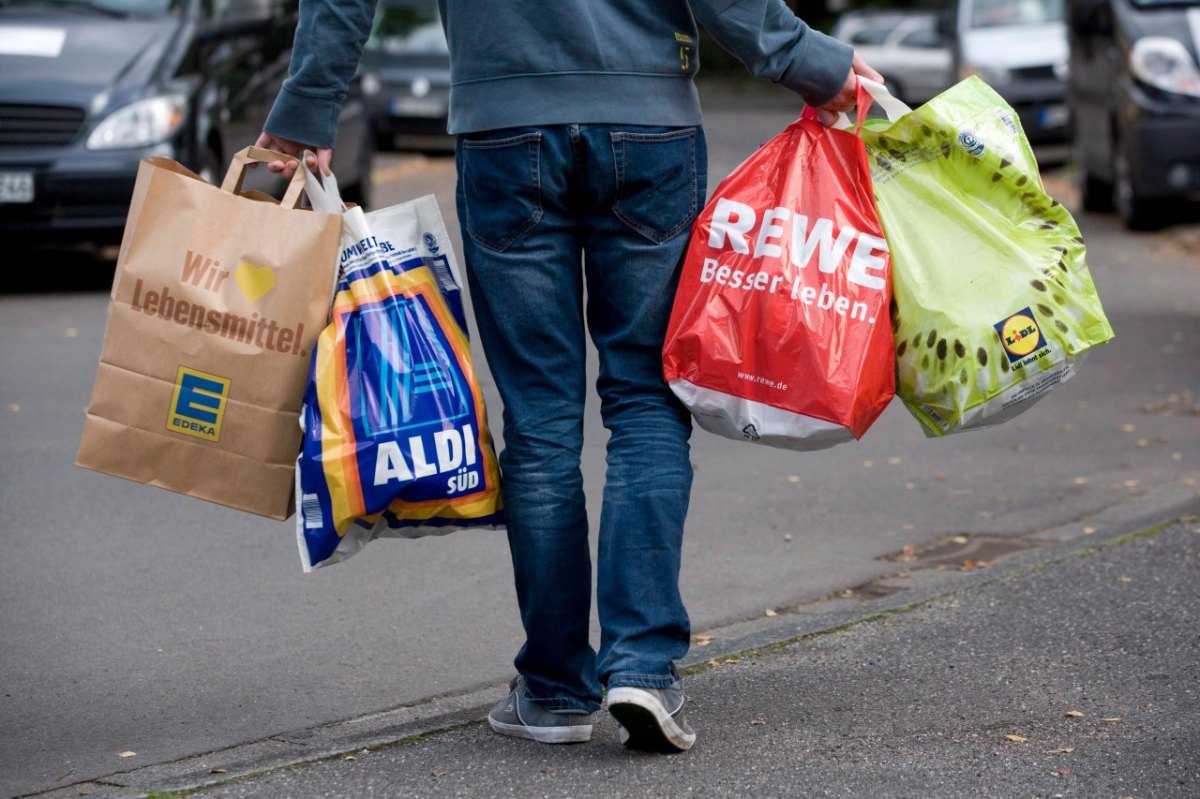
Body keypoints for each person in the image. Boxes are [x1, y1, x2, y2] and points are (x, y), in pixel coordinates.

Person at [258, 0, 881, 754]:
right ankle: (643, 668)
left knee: (541, 421)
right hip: (647, 121)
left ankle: (555, 689)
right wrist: (808, 63)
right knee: (647, 401)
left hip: (503, 124)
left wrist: (306, 110)